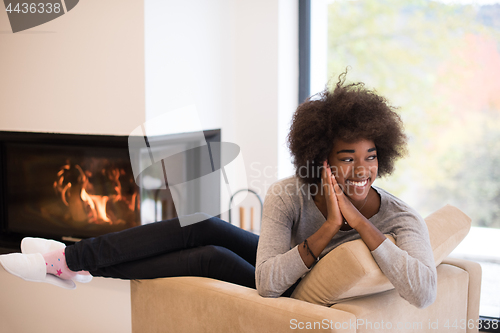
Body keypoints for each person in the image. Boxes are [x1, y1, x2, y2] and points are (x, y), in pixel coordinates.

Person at [0, 73, 437, 308]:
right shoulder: (291, 193)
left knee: (211, 257)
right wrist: (325, 228)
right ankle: (70, 259)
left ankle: (69, 265)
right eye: (347, 157)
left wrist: (354, 224)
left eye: (371, 155)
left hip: (297, 290)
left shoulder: (400, 218)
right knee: (204, 225)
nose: (362, 170)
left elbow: (424, 292)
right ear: (321, 156)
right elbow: (269, 266)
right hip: (287, 268)